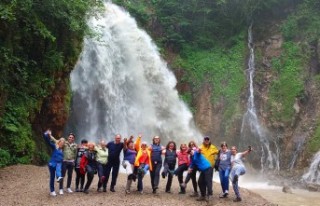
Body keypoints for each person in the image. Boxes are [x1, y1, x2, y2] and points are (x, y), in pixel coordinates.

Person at [43, 129, 65, 197]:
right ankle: (52, 191)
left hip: (59, 163)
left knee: (59, 171)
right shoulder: (55, 147)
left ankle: (58, 178)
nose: (62, 143)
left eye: (63, 142)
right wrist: (46, 134)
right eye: (61, 142)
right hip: (52, 163)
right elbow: (48, 142)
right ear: (59, 142)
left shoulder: (64, 150)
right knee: (52, 177)